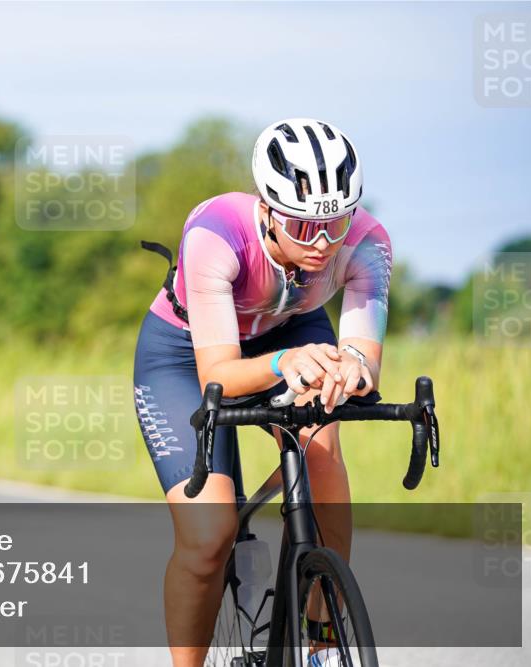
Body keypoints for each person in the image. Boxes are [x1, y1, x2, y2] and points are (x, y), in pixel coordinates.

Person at [133, 118, 393, 666]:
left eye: (335, 223)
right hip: (186, 355)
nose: (322, 244)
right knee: (209, 535)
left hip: (294, 332)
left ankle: (322, 642)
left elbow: (364, 358)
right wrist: (283, 363)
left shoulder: (368, 243)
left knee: (324, 458)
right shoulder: (216, 231)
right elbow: (219, 376)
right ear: (269, 210)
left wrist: (353, 372)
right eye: (303, 228)